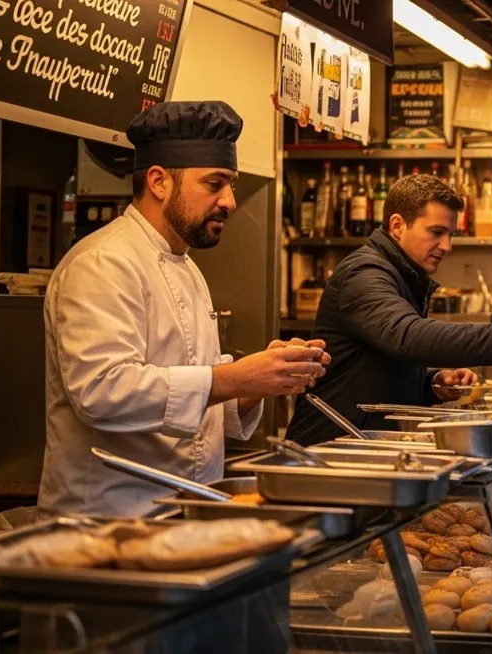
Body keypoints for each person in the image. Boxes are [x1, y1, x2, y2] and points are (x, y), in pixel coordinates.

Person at [40, 101, 332, 517]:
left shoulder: (188, 267)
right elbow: (102, 393)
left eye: (230, 184)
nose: (230, 201)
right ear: (159, 181)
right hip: (110, 521)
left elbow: (201, 397)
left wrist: (259, 382)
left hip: (184, 511)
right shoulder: (103, 262)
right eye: (215, 184)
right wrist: (235, 378)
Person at [286, 174, 492, 445]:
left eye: (450, 233)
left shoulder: (401, 274)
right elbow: (406, 336)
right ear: (397, 226)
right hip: (328, 446)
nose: (447, 245)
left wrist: (432, 384)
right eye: (436, 232)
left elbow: (379, 366)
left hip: (361, 441)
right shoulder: (364, 272)